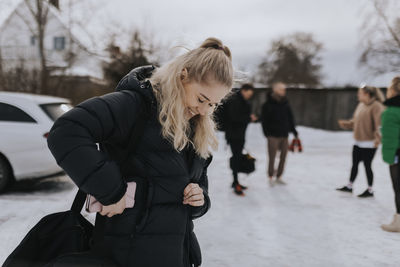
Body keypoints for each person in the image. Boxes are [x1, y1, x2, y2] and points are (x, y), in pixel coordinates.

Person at [47, 37, 233, 267]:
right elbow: (67, 131)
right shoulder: (135, 105)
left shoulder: (197, 127)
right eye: (202, 99)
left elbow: (197, 183)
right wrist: (110, 192)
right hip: (127, 254)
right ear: (183, 76)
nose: (204, 110)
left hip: (176, 254)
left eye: (214, 104)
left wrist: (200, 199)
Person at [336, 85, 385, 197]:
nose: (358, 95)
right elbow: (356, 121)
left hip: (369, 143)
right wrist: (347, 124)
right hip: (358, 141)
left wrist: (378, 139)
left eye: (360, 93)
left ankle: (370, 190)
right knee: (354, 164)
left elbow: (380, 125)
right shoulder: (361, 105)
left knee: (367, 165)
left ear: (367, 94)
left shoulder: (377, 106)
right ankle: (349, 186)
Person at [261, 82, 298, 185]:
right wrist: (267, 133)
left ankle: (279, 176)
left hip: (284, 134)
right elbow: (264, 120)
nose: (284, 91)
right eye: (282, 89)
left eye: (284, 89)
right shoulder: (267, 104)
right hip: (272, 135)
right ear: (275, 90)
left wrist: (294, 131)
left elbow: (290, 119)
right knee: (272, 157)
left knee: (283, 157)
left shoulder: (286, 104)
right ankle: (270, 177)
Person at [224, 83, 257, 196]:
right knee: (236, 158)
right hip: (234, 135)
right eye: (249, 94)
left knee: (237, 157)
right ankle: (235, 183)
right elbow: (234, 117)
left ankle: (235, 181)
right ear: (243, 90)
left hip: (238, 135)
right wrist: (249, 118)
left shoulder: (240, 100)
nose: (249, 96)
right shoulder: (235, 100)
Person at [381, 77, 400, 232]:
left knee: (398, 187)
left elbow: (390, 136)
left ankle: (398, 221)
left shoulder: (391, 111)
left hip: (397, 153)